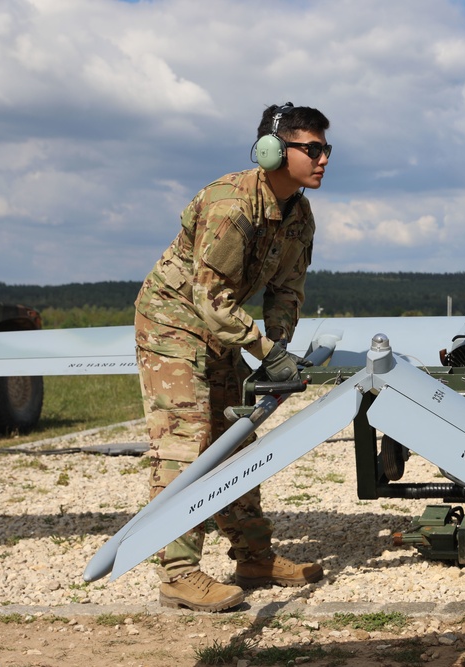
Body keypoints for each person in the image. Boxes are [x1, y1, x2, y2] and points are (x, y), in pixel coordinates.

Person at [133, 102, 331, 612]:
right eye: (311, 149)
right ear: (272, 151)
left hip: (219, 330)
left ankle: (254, 557)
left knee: (235, 440)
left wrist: (278, 349)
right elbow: (210, 298)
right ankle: (178, 574)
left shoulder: (298, 214)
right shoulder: (231, 204)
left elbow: (286, 290)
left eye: (326, 148)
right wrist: (262, 349)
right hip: (173, 323)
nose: (323, 158)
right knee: (186, 441)